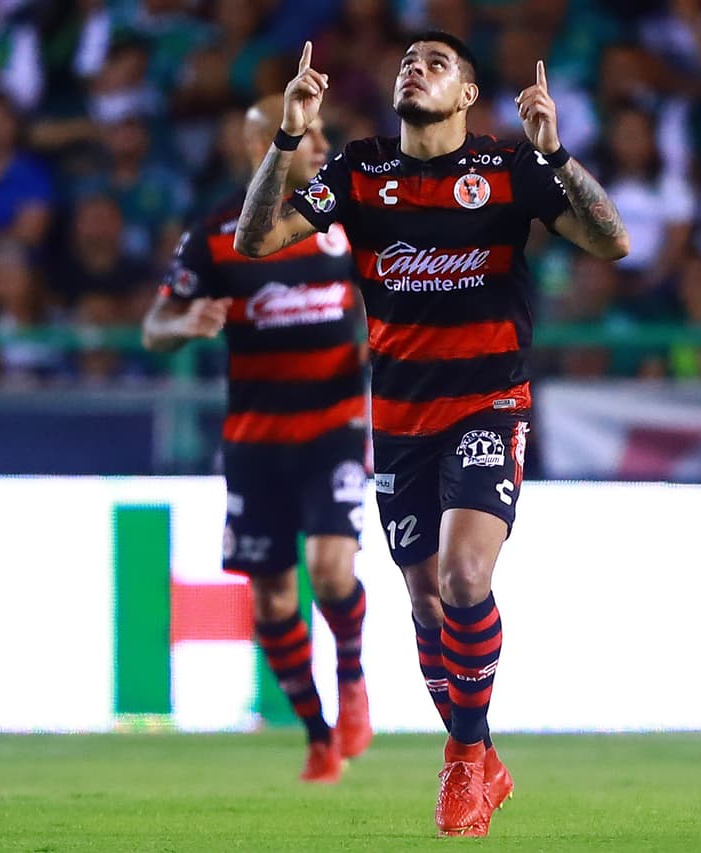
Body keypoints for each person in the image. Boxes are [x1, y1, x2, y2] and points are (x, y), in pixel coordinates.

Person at [233, 33, 630, 837]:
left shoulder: (509, 171)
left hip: (489, 406)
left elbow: (611, 240)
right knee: (422, 604)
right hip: (401, 425)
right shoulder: (358, 171)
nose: (414, 68)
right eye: (407, 61)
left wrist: (555, 154)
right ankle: (485, 757)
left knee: (461, 576)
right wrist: (286, 136)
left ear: (468, 95)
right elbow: (256, 241)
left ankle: (460, 758)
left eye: (435, 63)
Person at [141, 94, 373, 785]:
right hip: (256, 439)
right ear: (263, 144)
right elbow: (155, 325)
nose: (324, 144)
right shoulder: (214, 234)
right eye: (311, 135)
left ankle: (354, 677)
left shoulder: (344, 221)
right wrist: (186, 324)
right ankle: (316, 732)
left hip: (335, 426)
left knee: (331, 570)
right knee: (272, 598)